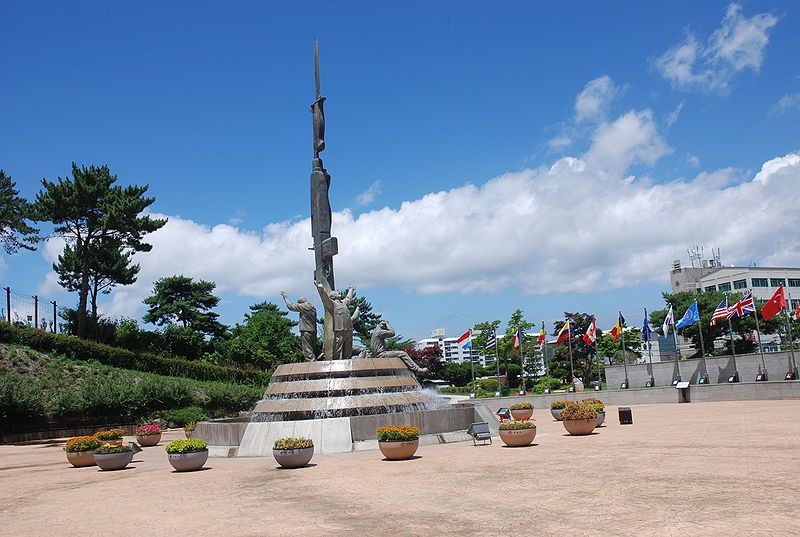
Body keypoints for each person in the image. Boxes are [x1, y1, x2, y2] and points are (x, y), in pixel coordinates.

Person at [315, 280, 355, 360]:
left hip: (349, 330)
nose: (338, 292)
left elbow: (348, 298)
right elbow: (325, 298)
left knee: (348, 350)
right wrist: (321, 289)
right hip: (339, 331)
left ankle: (347, 366)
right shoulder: (332, 304)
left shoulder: (343, 303)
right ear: (333, 297)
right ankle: (335, 365)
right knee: (337, 350)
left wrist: (351, 289)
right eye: (336, 292)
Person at [281, 292, 317, 362]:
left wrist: (285, 298)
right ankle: (312, 360)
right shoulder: (312, 308)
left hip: (306, 330)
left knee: (307, 348)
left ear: (301, 303)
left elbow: (290, 306)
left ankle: (310, 362)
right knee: (312, 348)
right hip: (313, 330)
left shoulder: (304, 306)